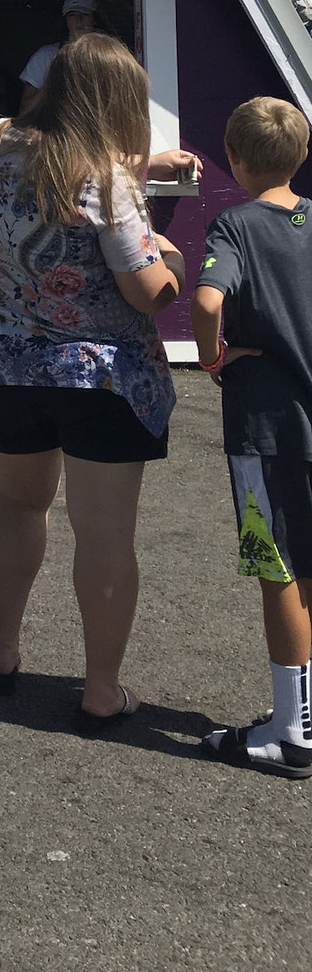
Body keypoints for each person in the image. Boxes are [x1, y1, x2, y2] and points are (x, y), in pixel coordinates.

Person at [0, 32, 184, 724]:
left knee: (20, 502)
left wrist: (141, 169)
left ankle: (1, 652)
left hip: (2, 363)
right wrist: (171, 257)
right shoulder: (108, 178)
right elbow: (146, 289)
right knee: (104, 533)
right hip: (98, 377)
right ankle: (100, 691)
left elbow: (47, 182)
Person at [192, 97, 312, 779]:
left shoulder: (234, 225)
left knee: (280, 573)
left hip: (267, 429)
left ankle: (292, 733)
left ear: (234, 159)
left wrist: (213, 358)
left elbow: (208, 301)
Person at [18, 0, 100, 117]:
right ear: (65, 21)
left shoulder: (107, 57)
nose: (79, 20)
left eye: (85, 14)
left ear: (94, 20)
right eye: (72, 15)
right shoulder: (45, 56)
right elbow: (26, 107)